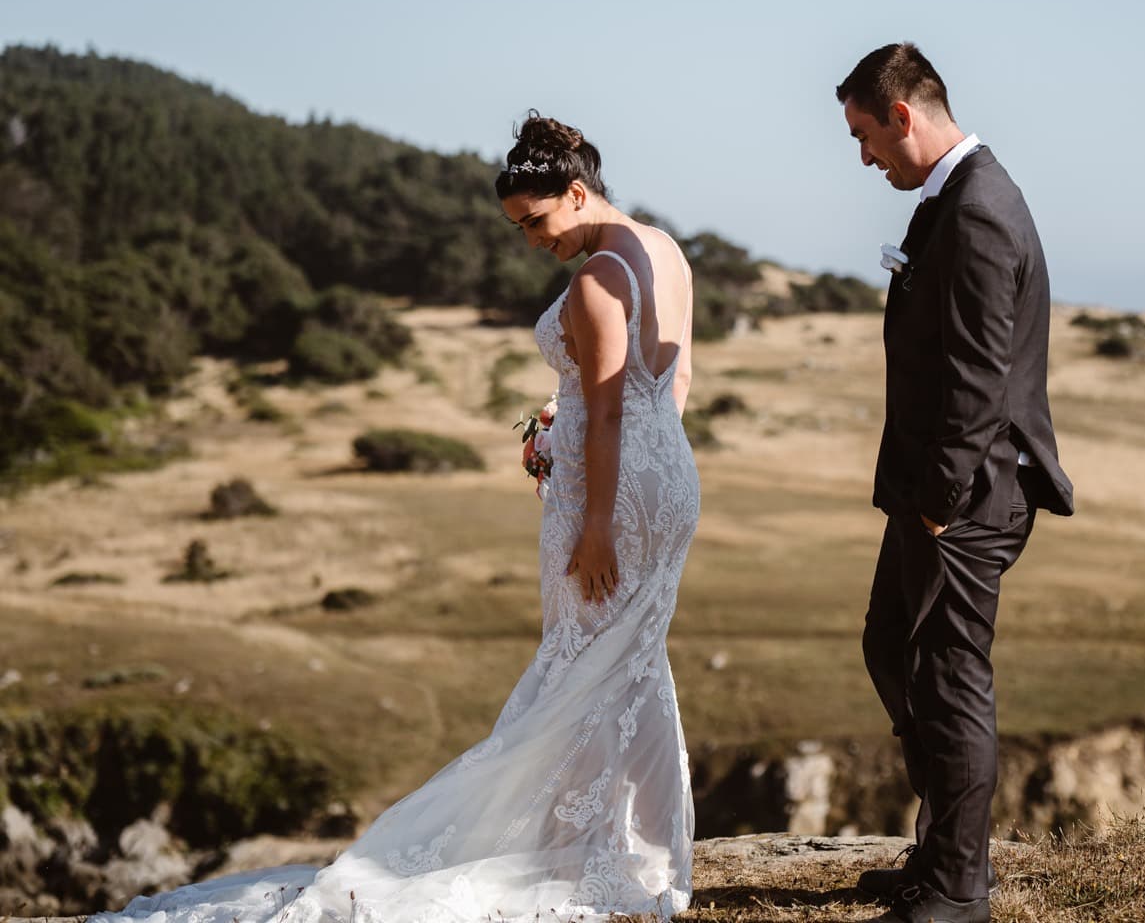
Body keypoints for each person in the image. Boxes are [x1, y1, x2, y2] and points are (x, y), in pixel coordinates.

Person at [94, 113, 699, 923]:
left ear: (578, 192)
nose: (531, 241)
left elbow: (610, 413)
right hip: (667, 479)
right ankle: (648, 852)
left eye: (537, 221)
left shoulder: (596, 281)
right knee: (629, 658)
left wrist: (596, 517)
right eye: (518, 228)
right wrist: (594, 449)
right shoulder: (663, 250)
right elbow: (671, 381)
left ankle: (576, 851)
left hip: (616, 490)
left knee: (580, 663)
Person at [835, 43, 1074, 923]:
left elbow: (977, 377)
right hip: (936, 493)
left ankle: (958, 890)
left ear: (903, 115)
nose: (863, 158)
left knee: (947, 675)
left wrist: (937, 500)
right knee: (890, 645)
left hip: (965, 498)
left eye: (864, 136)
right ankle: (941, 850)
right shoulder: (956, 197)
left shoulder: (976, 210)